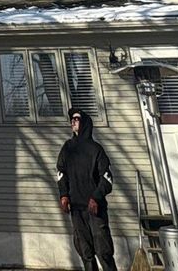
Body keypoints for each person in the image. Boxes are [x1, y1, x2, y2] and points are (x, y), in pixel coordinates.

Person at [57, 107, 118, 271]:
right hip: (76, 209)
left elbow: (107, 178)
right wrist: (64, 195)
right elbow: (61, 173)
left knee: (103, 250)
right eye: (71, 120)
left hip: (94, 209)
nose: (73, 122)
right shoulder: (67, 149)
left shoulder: (96, 150)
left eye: (76, 119)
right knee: (85, 252)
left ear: (84, 123)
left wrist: (96, 197)